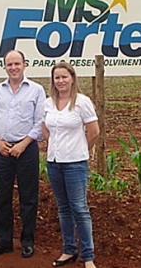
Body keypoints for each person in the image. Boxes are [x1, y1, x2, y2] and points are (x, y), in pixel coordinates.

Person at [0, 50, 46, 259]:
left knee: (28, 197)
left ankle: (27, 241)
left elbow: (39, 123)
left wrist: (24, 144)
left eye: (17, 63)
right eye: (9, 64)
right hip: (3, 150)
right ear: (4, 67)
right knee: (2, 197)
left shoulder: (36, 90)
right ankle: (3, 241)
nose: (13, 67)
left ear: (24, 65)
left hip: (26, 150)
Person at [41, 62, 100, 268]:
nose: (61, 81)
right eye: (57, 77)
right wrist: (54, 145)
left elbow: (94, 132)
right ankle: (68, 250)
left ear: (72, 78)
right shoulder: (48, 103)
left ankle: (88, 256)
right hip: (54, 163)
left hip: (75, 164)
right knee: (63, 209)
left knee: (79, 209)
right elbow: (44, 128)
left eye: (64, 77)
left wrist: (81, 149)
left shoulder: (82, 102)